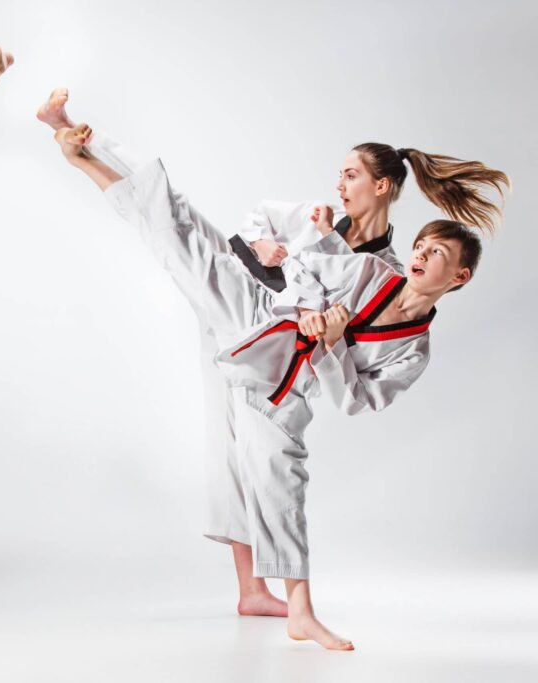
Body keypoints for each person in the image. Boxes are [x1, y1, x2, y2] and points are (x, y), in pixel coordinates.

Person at [37, 89, 509, 618]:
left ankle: (254, 592)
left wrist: (324, 331)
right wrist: (268, 246)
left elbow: (350, 370)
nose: (339, 183)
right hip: (245, 293)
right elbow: (262, 221)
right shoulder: (327, 223)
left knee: (240, 445)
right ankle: (83, 140)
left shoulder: (387, 270)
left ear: (382, 186)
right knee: (172, 218)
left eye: (351, 174)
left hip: (262, 337)